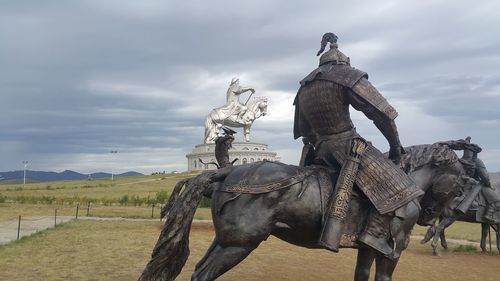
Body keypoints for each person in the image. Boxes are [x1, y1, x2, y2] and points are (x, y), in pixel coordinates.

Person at [293, 33, 423, 258]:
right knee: (399, 186)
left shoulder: (305, 86)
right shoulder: (347, 76)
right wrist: (395, 146)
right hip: (347, 146)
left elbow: (303, 130)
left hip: (320, 150)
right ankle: (372, 233)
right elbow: (383, 114)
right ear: (344, 62)